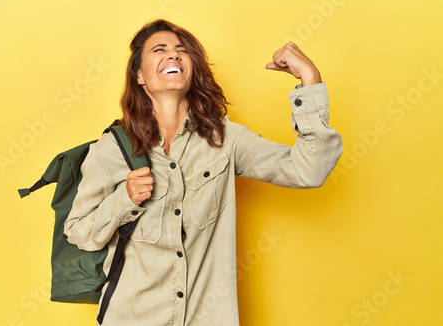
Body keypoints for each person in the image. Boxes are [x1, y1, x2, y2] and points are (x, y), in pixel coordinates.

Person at [64, 19, 343, 326]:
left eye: (181, 50)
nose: (173, 55)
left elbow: (308, 171)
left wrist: (310, 82)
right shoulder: (112, 148)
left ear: (192, 68)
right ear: (140, 75)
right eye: (160, 49)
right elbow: (79, 232)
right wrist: (123, 199)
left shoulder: (227, 139)